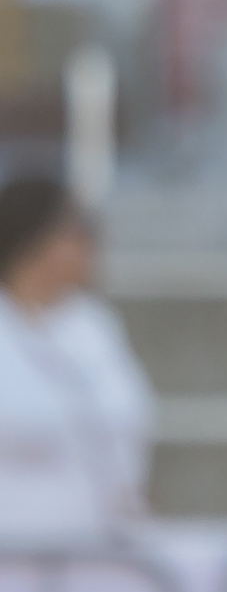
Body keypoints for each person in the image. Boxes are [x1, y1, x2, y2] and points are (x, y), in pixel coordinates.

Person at [0, 176, 155, 539]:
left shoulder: (94, 325)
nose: (93, 246)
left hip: (101, 551)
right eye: (79, 232)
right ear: (35, 240)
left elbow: (125, 440)